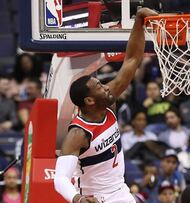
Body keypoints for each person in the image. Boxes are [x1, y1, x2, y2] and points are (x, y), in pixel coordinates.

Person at [53, 8, 158, 203]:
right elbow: (59, 179)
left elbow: (132, 60)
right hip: (96, 198)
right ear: (89, 101)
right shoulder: (78, 134)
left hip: (120, 191)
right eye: (99, 86)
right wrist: (78, 199)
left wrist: (140, 21)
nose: (106, 87)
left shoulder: (107, 103)